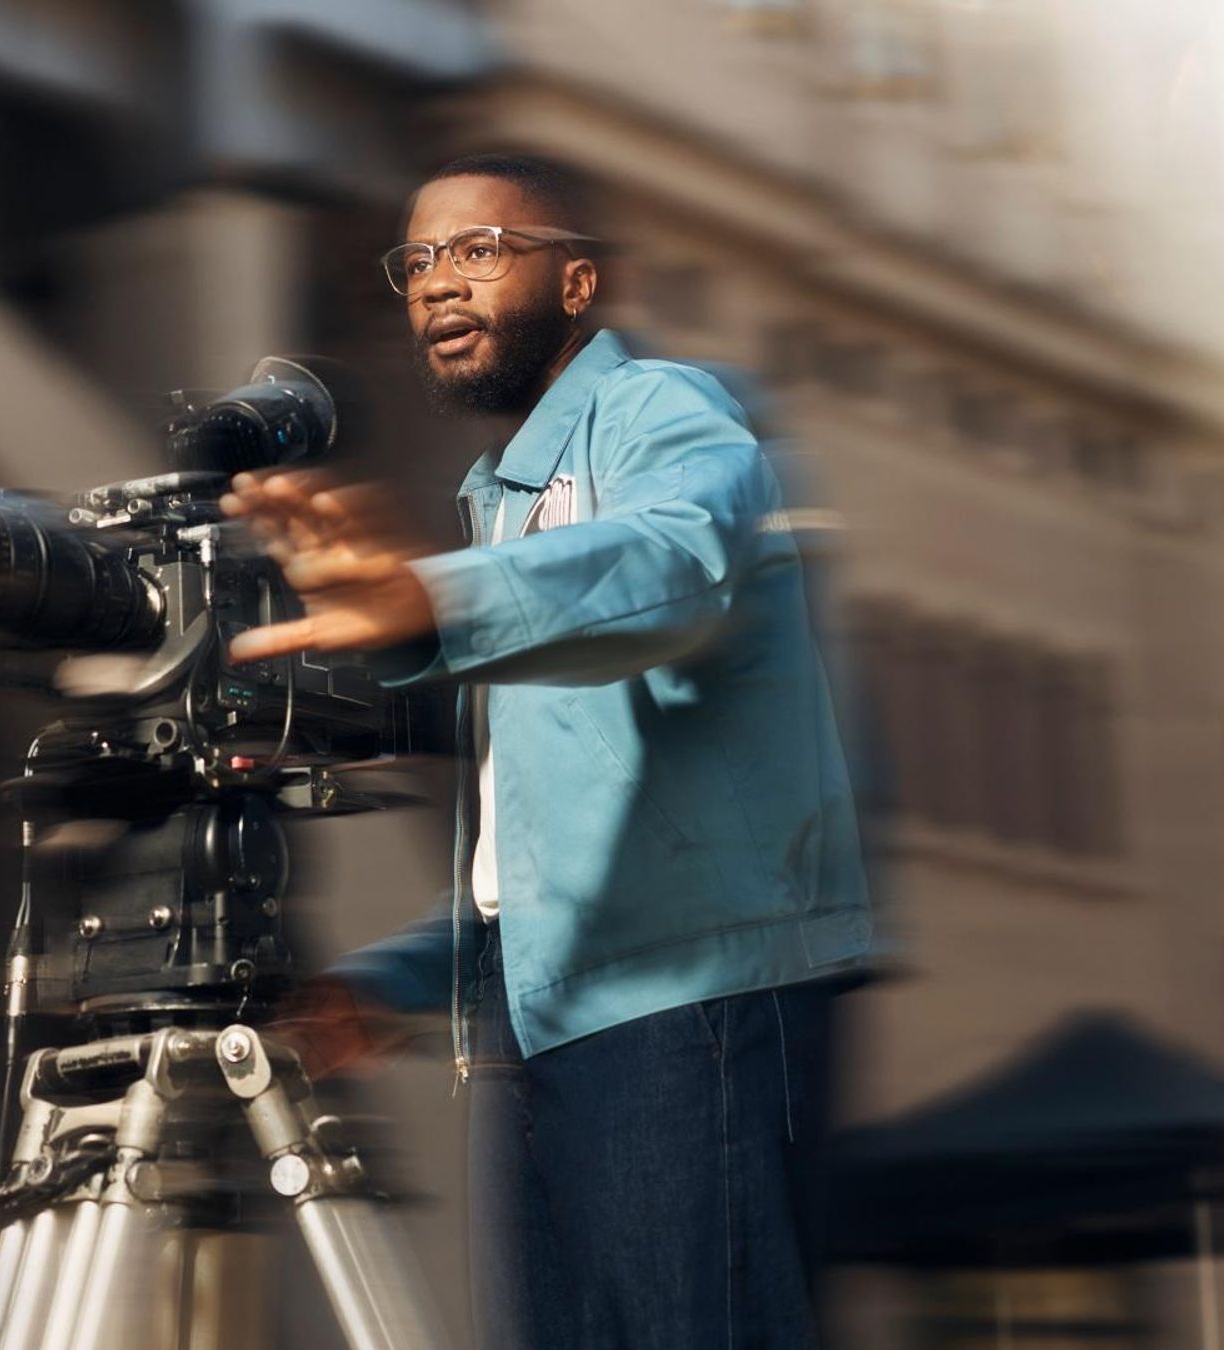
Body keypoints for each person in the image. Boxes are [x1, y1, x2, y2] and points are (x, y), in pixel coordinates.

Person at [222, 153, 872, 1350]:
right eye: (416, 261)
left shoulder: (662, 410)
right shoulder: (503, 504)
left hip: (694, 1000)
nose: (435, 285)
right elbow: (542, 842)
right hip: (545, 1022)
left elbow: (681, 564)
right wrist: (397, 981)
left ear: (577, 285)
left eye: (477, 251)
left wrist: (435, 599)